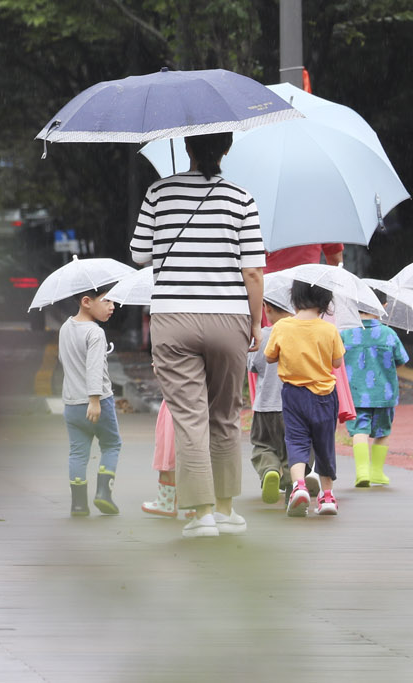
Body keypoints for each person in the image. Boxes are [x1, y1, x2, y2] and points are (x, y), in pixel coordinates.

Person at [131, 130, 267, 539]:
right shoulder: (241, 198)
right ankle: (226, 511)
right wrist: (256, 323)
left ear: (186, 148)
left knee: (190, 417)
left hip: (173, 319)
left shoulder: (158, 193)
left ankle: (200, 515)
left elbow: (139, 254)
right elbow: (254, 271)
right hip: (229, 319)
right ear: (226, 149)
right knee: (226, 416)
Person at [265, 280, 346, 516]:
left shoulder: (282, 326)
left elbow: (270, 357)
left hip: (294, 394)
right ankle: (328, 496)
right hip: (324, 396)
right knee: (324, 445)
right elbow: (337, 362)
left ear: (295, 297)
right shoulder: (329, 329)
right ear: (325, 301)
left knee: (296, 440)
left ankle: (299, 486)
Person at [59, 284, 122, 516]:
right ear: (87, 301)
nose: (112, 307)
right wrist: (94, 400)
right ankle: (104, 493)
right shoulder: (95, 332)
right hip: (98, 402)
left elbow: (65, 361)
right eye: (107, 301)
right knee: (112, 444)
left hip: (71, 404)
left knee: (78, 453)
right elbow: (94, 368)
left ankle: (78, 504)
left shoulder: (65, 328)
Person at [342, 311, 409, 487]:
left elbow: (335, 359)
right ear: (382, 307)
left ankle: (362, 472)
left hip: (355, 394)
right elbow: (401, 359)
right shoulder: (389, 333)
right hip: (383, 393)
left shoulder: (345, 333)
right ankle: (377, 472)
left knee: (359, 431)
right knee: (383, 432)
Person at [249, 322, 287, 502]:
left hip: (265, 404)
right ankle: (291, 480)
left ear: (268, 308)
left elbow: (253, 365)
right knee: (294, 447)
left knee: (263, 444)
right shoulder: (297, 331)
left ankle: (269, 469)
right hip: (293, 406)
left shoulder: (262, 335)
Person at [140, 401, 182, 519]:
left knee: (168, 451)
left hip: (175, 401)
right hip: (197, 404)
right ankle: (195, 505)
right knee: (193, 454)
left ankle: (166, 502)